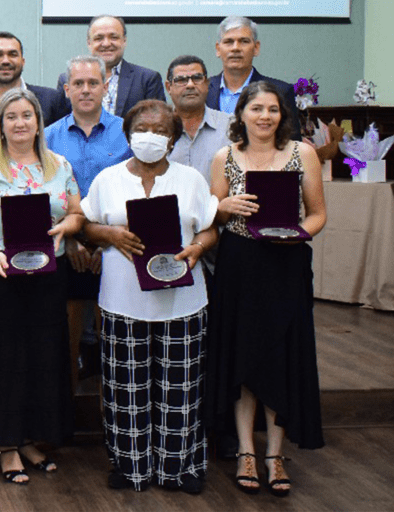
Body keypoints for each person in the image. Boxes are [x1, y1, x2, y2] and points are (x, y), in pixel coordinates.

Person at [80, 99, 219, 493]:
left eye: (161, 131)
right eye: (142, 128)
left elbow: (209, 228)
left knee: (182, 387)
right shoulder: (107, 179)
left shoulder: (191, 178)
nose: (151, 136)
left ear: (173, 139)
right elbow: (87, 225)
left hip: (183, 302)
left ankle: (180, 467)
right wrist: (108, 234)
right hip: (123, 301)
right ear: (127, 134)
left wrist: (199, 248)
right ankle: (130, 467)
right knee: (125, 388)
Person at [205, 81, 326, 497]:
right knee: (244, 356)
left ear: (282, 115)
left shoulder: (302, 153)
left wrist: (295, 235)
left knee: (281, 356)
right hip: (240, 264)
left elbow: (318, 214)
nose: (264, 116)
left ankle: (274, 455)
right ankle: (245, 452)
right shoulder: (225, 157)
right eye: (256, 108)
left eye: (272, 109)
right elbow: (213, 213)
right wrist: (223, 207)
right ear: (240, 114)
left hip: (286, 264)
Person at [0, 88, 85, 485]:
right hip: (0, 276)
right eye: (11, 116)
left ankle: (31, 438)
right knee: (4, 358)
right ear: (0, 124)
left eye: (27, 115)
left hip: (48, 277)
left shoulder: (59, 165)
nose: (19, 123)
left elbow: (77, 213)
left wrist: (67, 226)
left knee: (42, 357)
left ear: (38, 121)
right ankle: (6, 445)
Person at [46, 55, 133, 384]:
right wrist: (67, 239)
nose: (85, 90)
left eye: (93, 83)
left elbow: (137, 193)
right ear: (66, 89)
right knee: (62, 344)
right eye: (78, 84)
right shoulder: (48, 137)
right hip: (61, 248)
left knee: (117, 350)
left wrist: (106, 243)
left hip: (115, 248)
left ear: (106, 86)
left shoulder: (127, 133)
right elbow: (39, 197)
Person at [0, 31, 70, 177]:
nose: (5, 60)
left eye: (12, 54)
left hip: (39, 191)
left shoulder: (51, 100)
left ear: (23, 62)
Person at [206, 16, 300, 136]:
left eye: (244, 41)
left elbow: (293, 145)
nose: (236, 48)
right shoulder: (203, 90)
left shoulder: (281, 92)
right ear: (218, 49)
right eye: (229, 42)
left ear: (256, 48)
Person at [56, 15, 165, 118]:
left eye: (113, 37)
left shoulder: (147, 79)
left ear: (124, 41)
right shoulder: (67, 79)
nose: (107, 43)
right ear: (89, 43)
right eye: (99, 38)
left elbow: (158, 123)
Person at [165, 55, 233, 185]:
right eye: (181, 80)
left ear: (207, 84)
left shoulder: (232, 126)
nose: (190, 85)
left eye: (197, 78)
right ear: (169, 87)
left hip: (219, 204)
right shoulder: (158, 129)